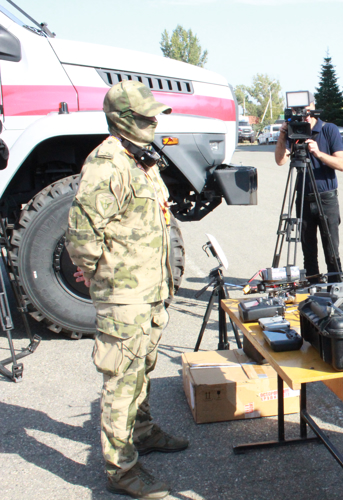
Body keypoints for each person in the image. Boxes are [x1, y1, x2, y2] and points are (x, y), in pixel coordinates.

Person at [66, 81, 187, 499]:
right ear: (122, 118)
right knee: (122, 380)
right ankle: (122, 470)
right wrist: (101, 278)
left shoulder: (141, 161)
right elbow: (82, 235)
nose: (155, 120)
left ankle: (143, 431)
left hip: (150, 291)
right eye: (145, 115)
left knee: (142, 369)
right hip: (125, 296)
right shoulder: (108, 162)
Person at [275, 101, 343, 283]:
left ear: (313, 111)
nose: (301, 117)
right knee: (308, 250)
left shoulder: (329, 129)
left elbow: (342, 164)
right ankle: (313, 287)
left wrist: (318, 153)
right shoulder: (294, 130)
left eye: (304, 112)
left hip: (326, 197)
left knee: (331, 249)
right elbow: (281, 161)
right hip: (303, 198)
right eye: (295, 112)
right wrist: (283, 135)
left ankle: (335, 287)